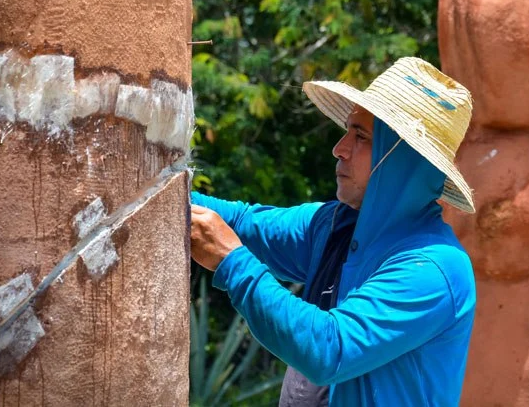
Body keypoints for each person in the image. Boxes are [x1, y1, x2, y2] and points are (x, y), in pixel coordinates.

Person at [190, 57, 477, 406]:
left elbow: (330, 349)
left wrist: (233, 265)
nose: (339, 149)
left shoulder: (434, 269)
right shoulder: (334, 227)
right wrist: (160, 188)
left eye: (360, 136)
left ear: (402, 160)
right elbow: (241, 223)